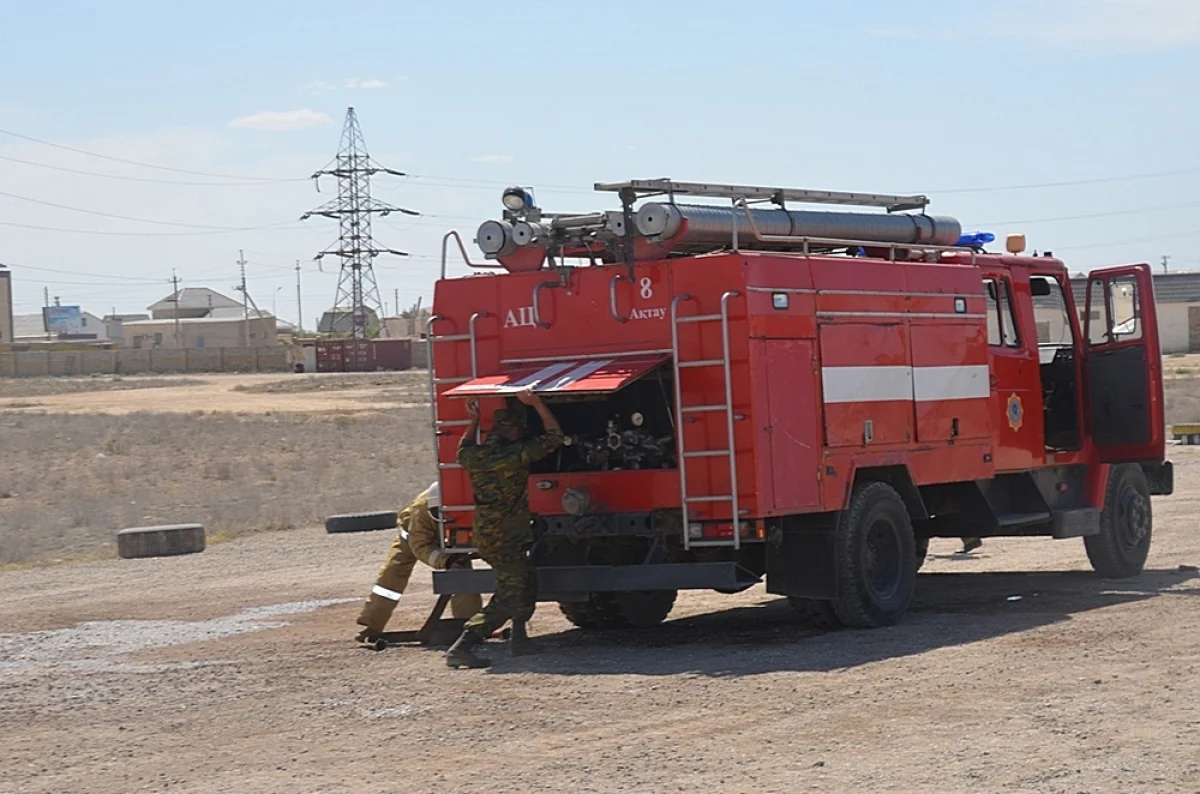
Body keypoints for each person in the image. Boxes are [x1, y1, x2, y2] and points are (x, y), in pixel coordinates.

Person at [445, 388, 564, 669]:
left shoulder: (475, 457)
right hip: (506, 537)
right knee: (509, 596)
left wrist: (473, 420)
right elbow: (555, 437)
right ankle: (464, 644)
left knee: (525, 581)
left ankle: (520, 639)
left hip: (490, 535)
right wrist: (537, 404)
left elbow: (462, 449)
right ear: (513, 433)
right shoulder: (513, 455)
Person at [354, 482, 483, 644]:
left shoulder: (465, 504)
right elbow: (420, 546)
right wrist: (446, 561)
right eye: (438, 514)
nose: (443, 518)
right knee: (392, 574)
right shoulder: (421, 510)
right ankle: (371, 623)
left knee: (462, 575)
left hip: (451, 538)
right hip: (413, 539)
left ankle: (471, 625)